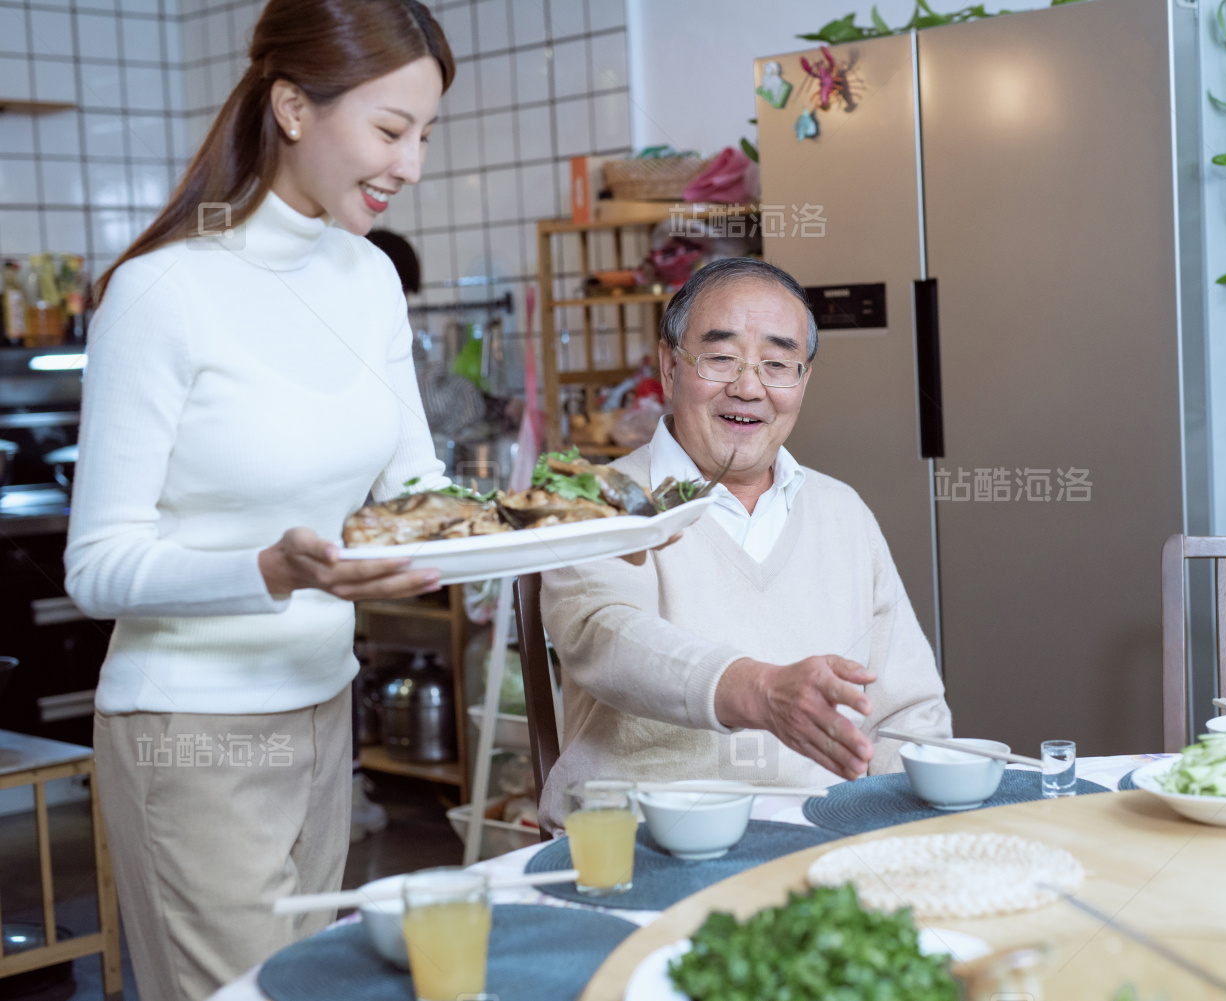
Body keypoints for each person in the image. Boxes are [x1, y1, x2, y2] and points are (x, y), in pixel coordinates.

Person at [64, 2, 454, 998]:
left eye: (425, 135)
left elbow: (419, 494)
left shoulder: (367, 279)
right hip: (192, 728)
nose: (410, 165)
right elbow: (97, 566)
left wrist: (576, 525)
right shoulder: (163, 292)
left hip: (326, 703)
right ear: (292, 107)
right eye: (390, 129)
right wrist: (270, 570)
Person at [538, 258, 952, 830]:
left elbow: (909, 713)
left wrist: (913, 826)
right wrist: (758, 690)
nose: (749, 387)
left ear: (803, 381)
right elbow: (605, 636)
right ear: (669, 365)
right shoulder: (599, 501)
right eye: (721, 357)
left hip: (818, 843)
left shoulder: (842, 512)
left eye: (778, 364)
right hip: (642, 842)